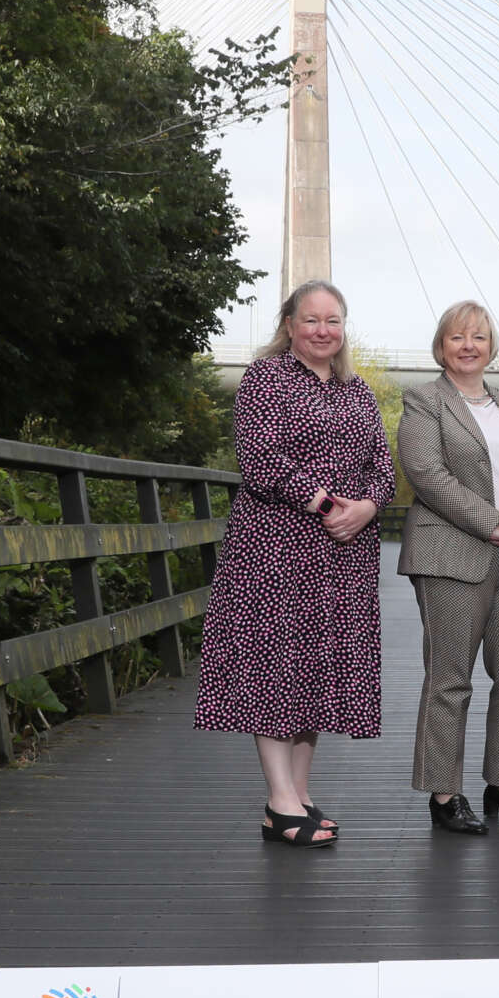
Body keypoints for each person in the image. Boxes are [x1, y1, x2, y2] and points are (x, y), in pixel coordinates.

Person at [193, 280, 396, 848]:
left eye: (333, 320)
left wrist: (367, 506)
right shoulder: (265, 379)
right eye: (311, 320)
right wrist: (329, 504)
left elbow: (382, 464)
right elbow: (260, 458)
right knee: (274, 665)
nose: (322, 330)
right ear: (289, 325)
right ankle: (279, 800)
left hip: (343, 553)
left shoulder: (357, 392)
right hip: (276, 548)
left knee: (316, 667)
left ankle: (300, 795)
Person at [397, 302, 499, 834]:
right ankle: (444, 795)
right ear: (441, 345)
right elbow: (426, 473)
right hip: (452, 554)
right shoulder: (425, 401)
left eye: (479, 336)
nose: (469, 345)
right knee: (451, 680)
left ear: (492, 346)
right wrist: (497, 524)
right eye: (457, 336)